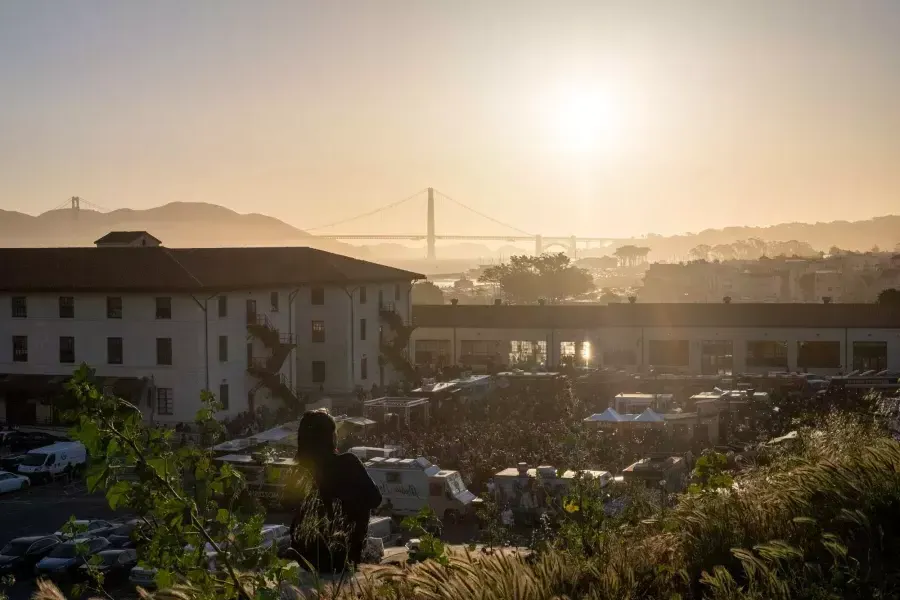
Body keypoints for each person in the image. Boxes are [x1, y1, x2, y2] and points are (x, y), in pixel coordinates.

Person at [290, 410, 382, 573]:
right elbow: (375, 499)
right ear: (331, 437)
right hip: (344, 556)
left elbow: (291, 509)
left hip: (308, 558)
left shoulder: (299, 472)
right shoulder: (348, 463)